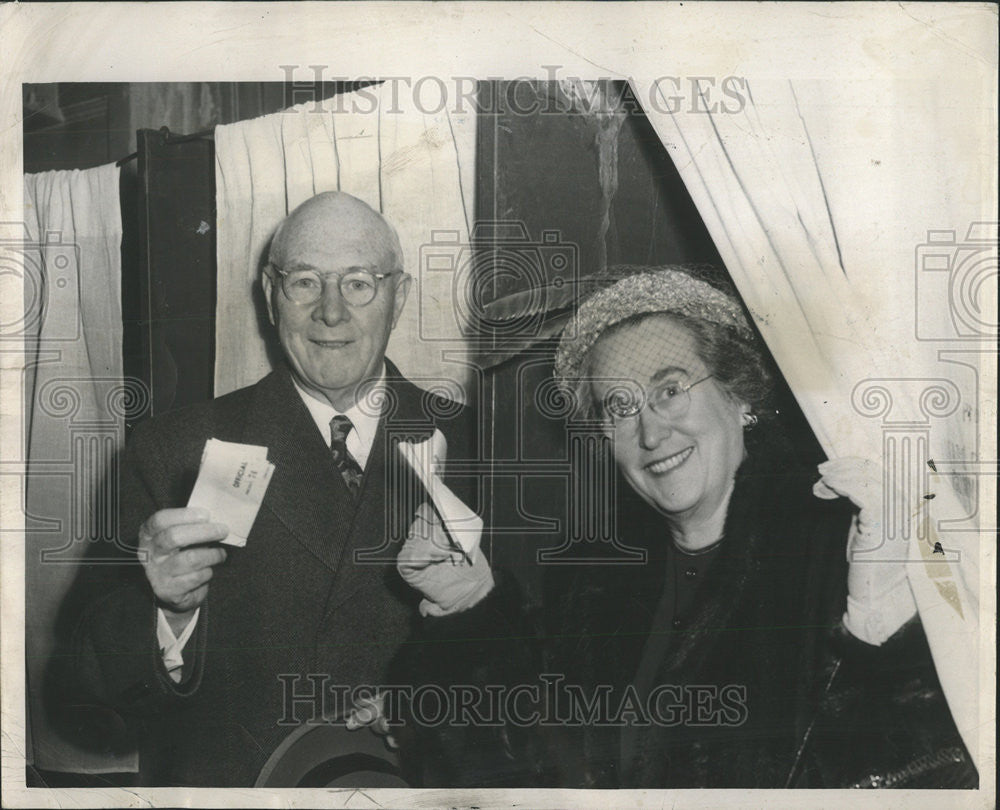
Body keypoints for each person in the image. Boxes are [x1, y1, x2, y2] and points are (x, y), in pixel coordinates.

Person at [392, 266, 976, 788]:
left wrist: (884, 632)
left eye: (669, 390)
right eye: (620, 408)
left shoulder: (840, 552)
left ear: (739, 393)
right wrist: (472, 609)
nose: (650, 433)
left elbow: (932, 771)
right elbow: (528, 772)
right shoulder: (594, 585)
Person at [64, 192, 478, 786]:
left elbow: (547, 660)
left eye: (359, 283)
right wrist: (163, 609)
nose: (330, 313)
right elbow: (90, 681)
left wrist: (439, 706)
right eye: (305, 282)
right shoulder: (172, 449)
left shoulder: (475, 447)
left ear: (400, 295)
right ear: (269, 293)